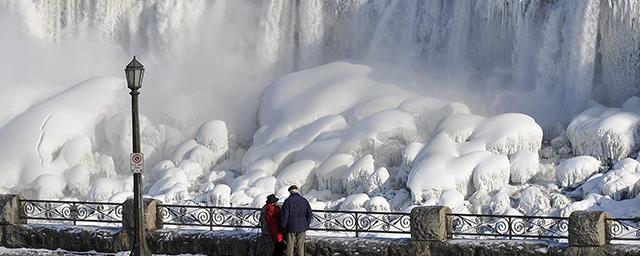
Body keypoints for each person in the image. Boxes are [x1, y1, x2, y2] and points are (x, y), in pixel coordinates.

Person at [280, 185, 313, 256]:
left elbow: (284, 216)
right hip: (302, 227)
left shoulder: (288, 201)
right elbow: (309, 214)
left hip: (291, 227)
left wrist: (283, 227)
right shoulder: (304, 200)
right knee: (300, 246)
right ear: (297, 191)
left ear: (290, 192)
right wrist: (306, 224)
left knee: (290, 246)